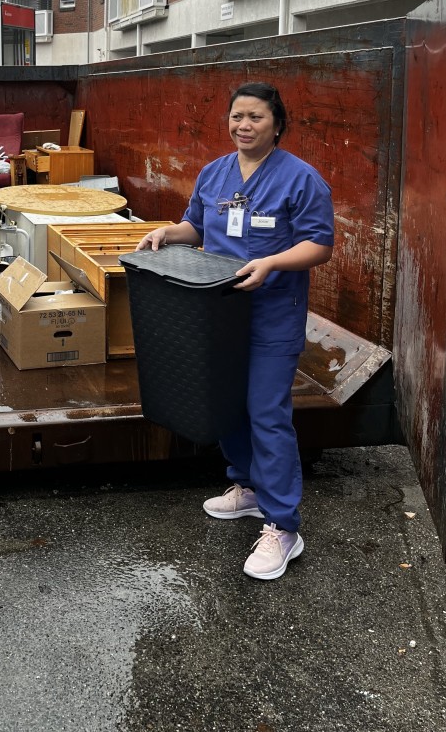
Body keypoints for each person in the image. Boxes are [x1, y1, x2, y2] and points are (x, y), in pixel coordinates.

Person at [136, 81, 334, 580]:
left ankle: (283, 525)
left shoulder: (301, 179)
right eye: (237, 117)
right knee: (225, 406)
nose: (244, 126)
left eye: (256, 118)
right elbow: (197, 228)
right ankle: (247, 487)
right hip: (217, 314)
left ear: (277, 124)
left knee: (266, 411)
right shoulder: (214, 173)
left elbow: (320, 245)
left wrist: (270, 263)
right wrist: (166, 232)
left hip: (270, 313)